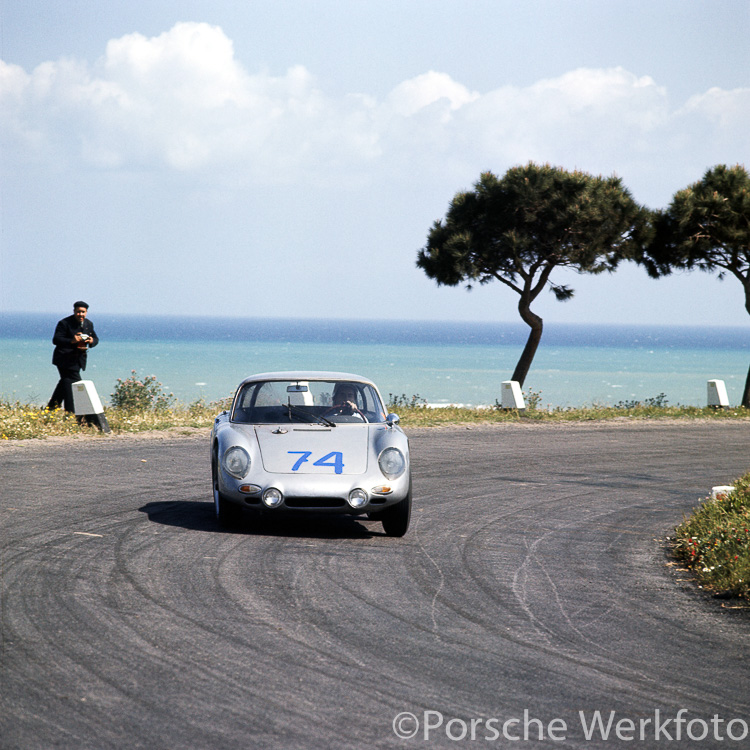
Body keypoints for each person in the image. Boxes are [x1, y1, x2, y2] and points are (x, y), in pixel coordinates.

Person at [48, 301, 99, 412]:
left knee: (65, 383)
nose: (80, 314)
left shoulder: (88, 324)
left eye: (83, 312)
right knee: (74, 384)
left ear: (86, 312)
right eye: (78, 312)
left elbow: (95, 339)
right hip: (64, 359)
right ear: (74, 311)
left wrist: (91, 341)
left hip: (78, 360)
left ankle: (50, 409)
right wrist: (72, 341)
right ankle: (70, 412)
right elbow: (56, 339)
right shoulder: (64, 323)